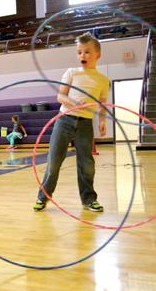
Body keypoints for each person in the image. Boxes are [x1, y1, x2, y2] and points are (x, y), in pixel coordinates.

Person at [33, 32, 109, 213]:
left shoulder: (103, 80)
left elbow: (103, 103)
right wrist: (74, 103)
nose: (82, 55)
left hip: (85, 124)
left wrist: (102, 121)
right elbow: (60, 96)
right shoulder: (71, 73)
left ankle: (89, 200)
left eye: (87, 52)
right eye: (79, 52)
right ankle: (42, 197)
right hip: (64, 121)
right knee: (54, 163)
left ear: (98, 54)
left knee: (87, 165)